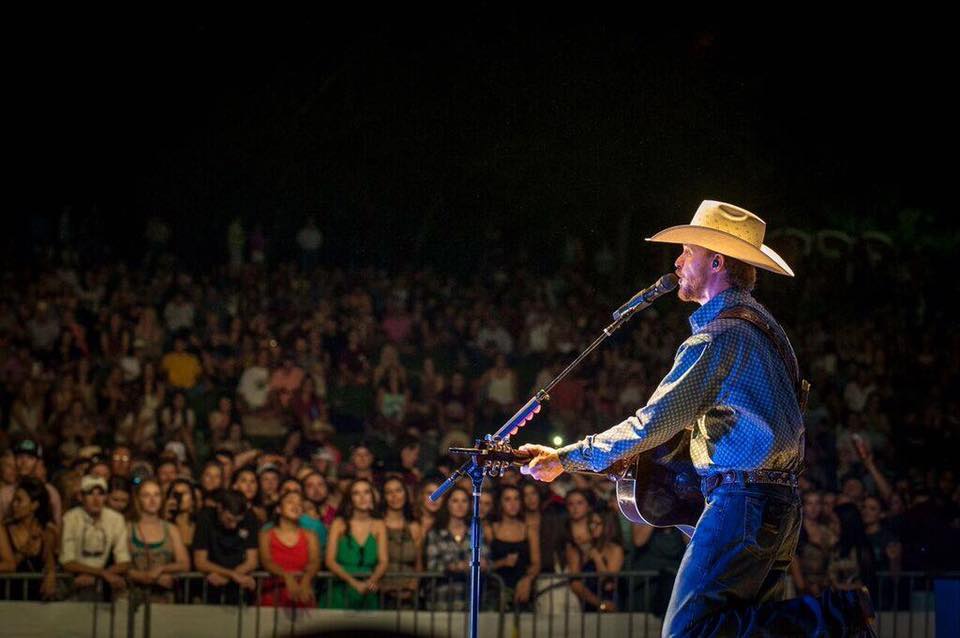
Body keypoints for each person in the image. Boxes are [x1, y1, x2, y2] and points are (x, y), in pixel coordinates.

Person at [520, 201, 876, 635]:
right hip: (781, 505)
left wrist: (566, 458)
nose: (678, 262)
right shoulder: (766, 329)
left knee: (685, 632)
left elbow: (651, 424)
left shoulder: (716, 338)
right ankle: (834, 619)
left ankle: (835, 618)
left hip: (740, 503)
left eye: (687, 252)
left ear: (717, 262)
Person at [60, 475, 131, 600]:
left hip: (101, 585)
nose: (96, 499)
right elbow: (67, 562)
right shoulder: (70, 518)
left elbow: (124, 561)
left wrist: (98, 577)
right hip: (73, 583)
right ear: (81, 497)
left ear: (106, 497)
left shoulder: (115, 519)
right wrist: (103, 573)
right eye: (90, 494)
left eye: (100, 494)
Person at [325, 478, 388, 609]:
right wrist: (353, 583)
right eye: (356, 493)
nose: (362, 497)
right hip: (340, 590)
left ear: (372, 496)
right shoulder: (339, 523)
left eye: (366, 492)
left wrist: (371, 582)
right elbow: (330, 561)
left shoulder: (379, 525)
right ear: (350, 499)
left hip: (368, 591)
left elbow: (383, 561)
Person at [126, 479, 190, 603]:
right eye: (146, 495)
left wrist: (161, 569)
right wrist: (146, 577)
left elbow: (184, 563)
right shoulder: (128, 528)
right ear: (138, 500)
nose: (152, 500)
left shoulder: (171, 529)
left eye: (156, 495)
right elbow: (122, 565)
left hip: (164, 600)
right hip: (133, 599)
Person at [193, 489, 260, 604]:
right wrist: (233, 575)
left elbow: (252, 561)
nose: (234, 526)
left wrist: (229, 577)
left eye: (238, 521)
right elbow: (200, 561)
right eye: (229, 520)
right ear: (219, 508)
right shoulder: (205, 517)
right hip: (211, 587)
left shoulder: (249, 517)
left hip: (239, 588)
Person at [258, 490, 320, 607]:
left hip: (302, 594)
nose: (295, 506)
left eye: (299, 504)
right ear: (278, 509)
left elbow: (315, 561)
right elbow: (266, 561)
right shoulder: (266, 534)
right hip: (273, 596)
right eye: (290, 502)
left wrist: (306, 580)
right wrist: (287, 577)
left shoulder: (310, 535)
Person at [0, 477, 58, 600]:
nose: (13, 504)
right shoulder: (3, 530)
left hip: (34, 603)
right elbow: (10, 565)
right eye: (14, 499)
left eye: (19, 500)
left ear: (34, 505)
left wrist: (51, 574)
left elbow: (49, 562)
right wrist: (24, 550)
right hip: (6, 599)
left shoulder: (46, 532)